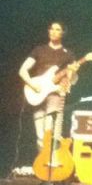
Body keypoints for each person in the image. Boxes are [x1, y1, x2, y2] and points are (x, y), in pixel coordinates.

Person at [19, 21, 78, 152]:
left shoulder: (68, 54)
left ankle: (52, 160)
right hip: (38, 93)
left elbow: (72, 79)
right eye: (51, 29)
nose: (53, 32)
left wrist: (72, 73)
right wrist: (32, 85)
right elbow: (22, 70)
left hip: (55, 93)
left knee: (49, 131)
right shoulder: (39, 50)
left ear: (63, 33)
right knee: (40, 135)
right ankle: (43, 161)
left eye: (57, 29)